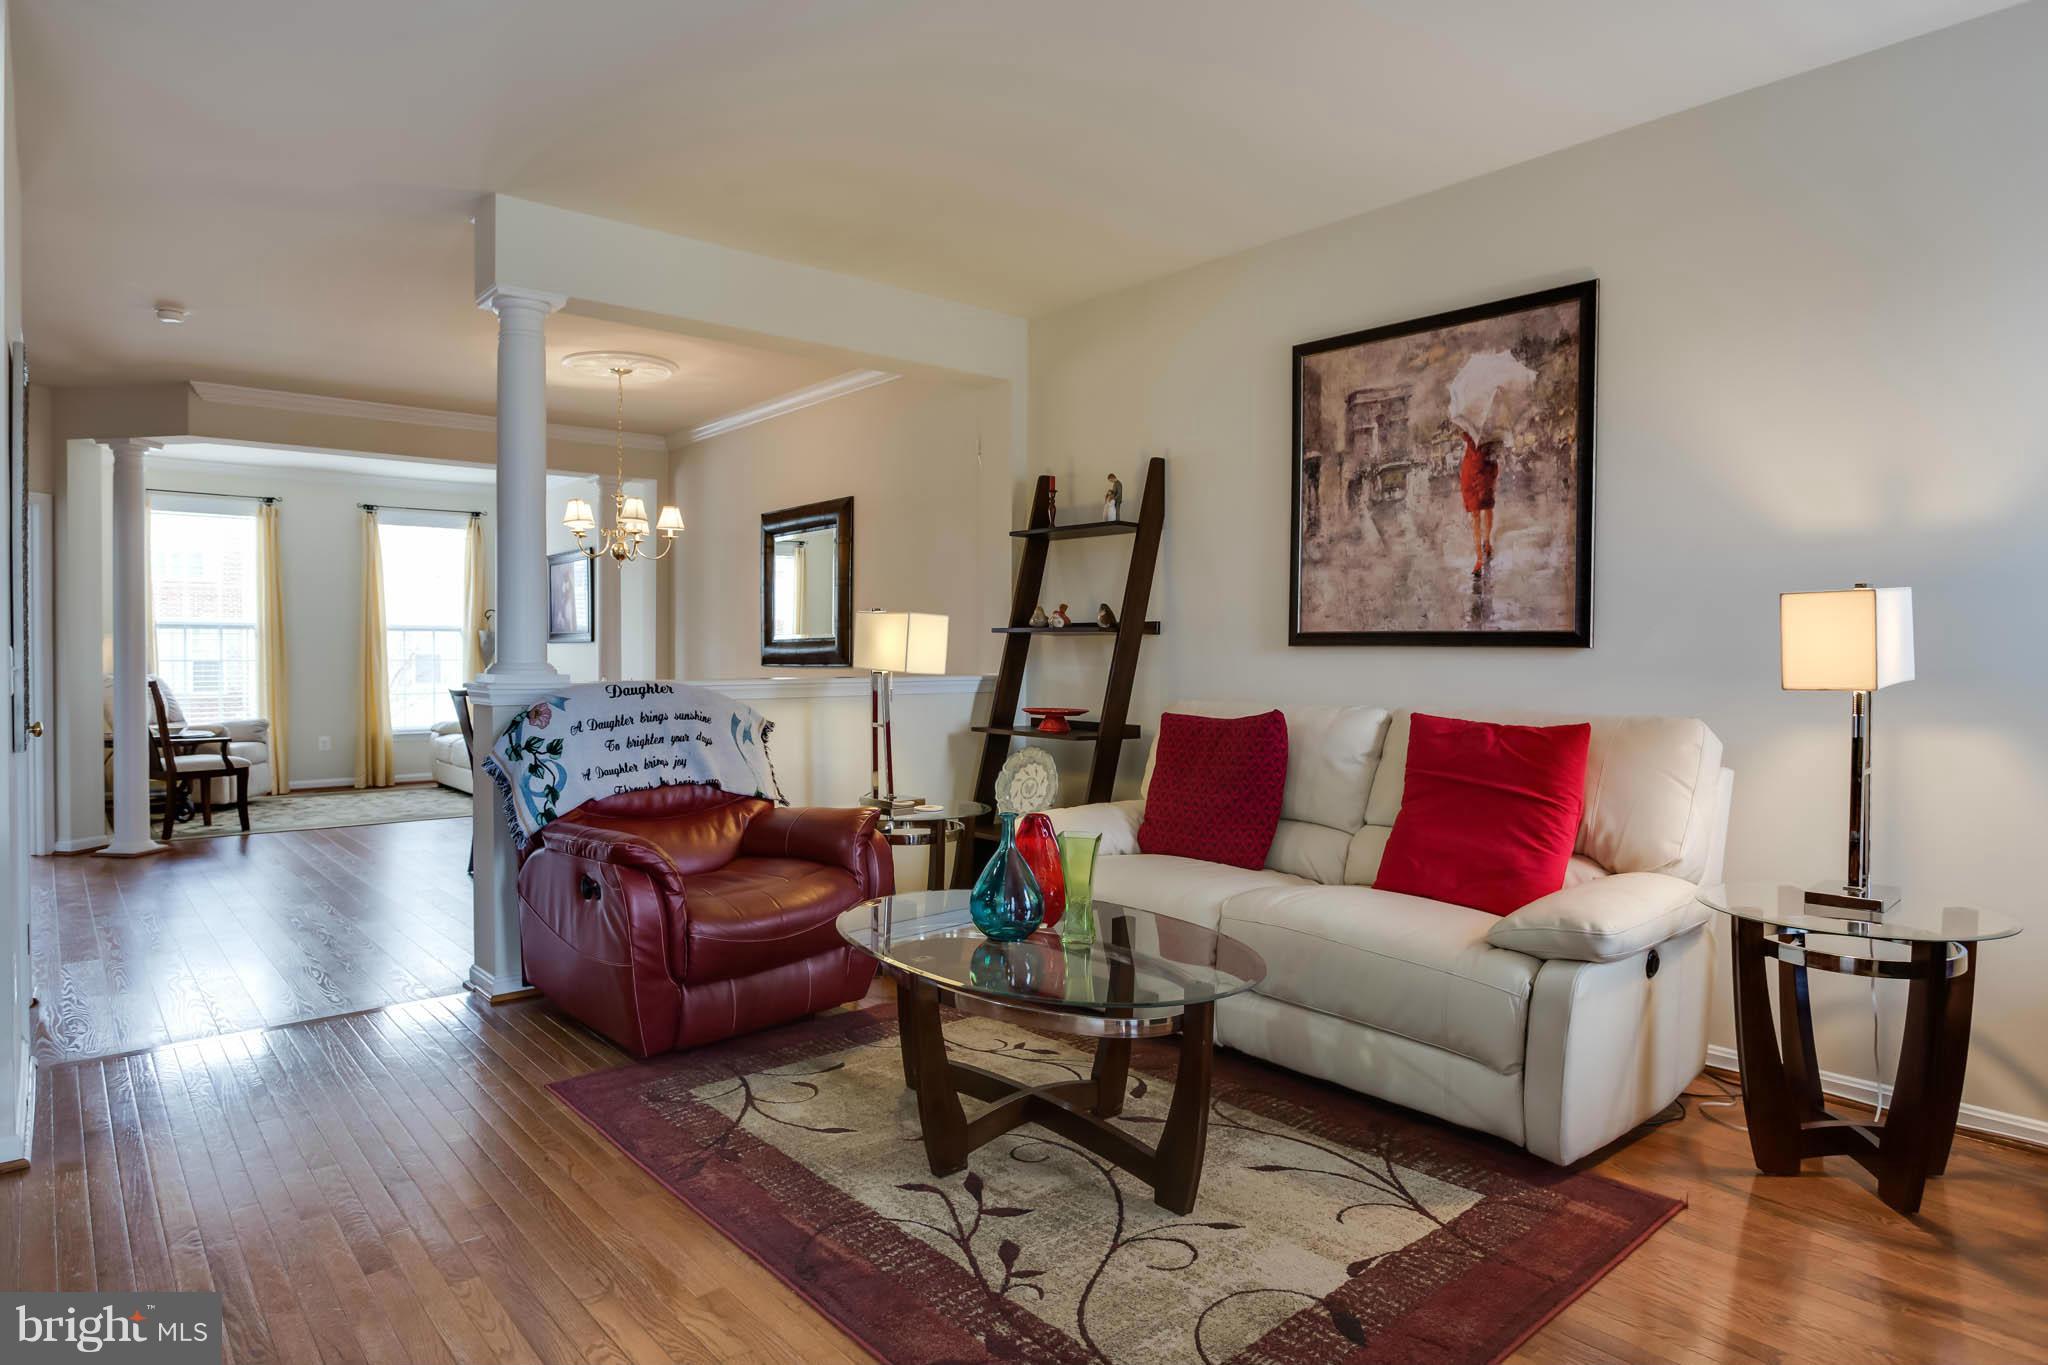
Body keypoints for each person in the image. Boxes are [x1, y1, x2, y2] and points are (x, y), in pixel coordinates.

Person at [1458, 429, 1500, 575]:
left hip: (1474, 468)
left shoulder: (1471, 426)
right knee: (1486, 509)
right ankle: (1486, 544)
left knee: (1476, 514)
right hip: (1484, 468)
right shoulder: (1493, 428)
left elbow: (1465, 435)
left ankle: (1479, 558)